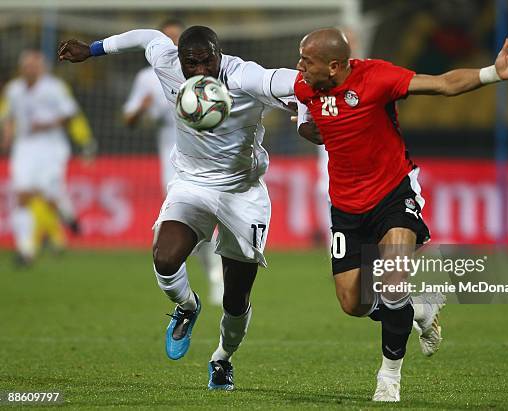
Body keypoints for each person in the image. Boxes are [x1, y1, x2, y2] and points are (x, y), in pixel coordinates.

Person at [294, 28, 508, 402]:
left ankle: (389, 378)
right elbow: (316, 126)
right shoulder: (304, 87)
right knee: (352, 304)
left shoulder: (377, 77)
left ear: (335, 65)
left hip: (393, 193)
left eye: (307, 61)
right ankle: (418, 307)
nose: (299, 68)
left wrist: (493, 73)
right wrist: (308, 126)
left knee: (392, 280)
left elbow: (441, 85)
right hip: (345, 207)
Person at [58, 25, 297, 390]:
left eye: (208, 61)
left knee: (236, 297)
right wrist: (93, 50)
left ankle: (222, 358)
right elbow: (146, 37)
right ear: (179, 59)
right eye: (192, 63)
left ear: (219, 53)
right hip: (191, 183)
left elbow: (291, 82)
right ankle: (186, 306)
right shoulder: (166, 61)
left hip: (242, 193)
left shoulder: (245, 76)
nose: (200, 71)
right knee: (165, 259)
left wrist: (312, 107)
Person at [122, 20, 223, 306]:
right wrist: (139, 111)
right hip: (172, 153)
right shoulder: (147, 78)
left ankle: (217, 279)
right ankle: (202, 281)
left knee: (202, 215)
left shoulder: (209, 71)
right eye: (167, 39)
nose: (173, 45)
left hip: (209, 154)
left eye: (177, 39)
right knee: (188, 221)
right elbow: (128, 119)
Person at [1, 50, 83, 266]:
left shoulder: (54, 88)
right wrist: (7, 138)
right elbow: (9, 116)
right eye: (27, 65)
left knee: (50, 195)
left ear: (42, 68)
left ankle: (68, 215)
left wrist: (47, 124)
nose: (31, 69)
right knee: (22, 195)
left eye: (35, 65)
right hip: (25, 147)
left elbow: (70, 114)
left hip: (52, 147)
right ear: (21, 68)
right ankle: (25, 250)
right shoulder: (13, 90)